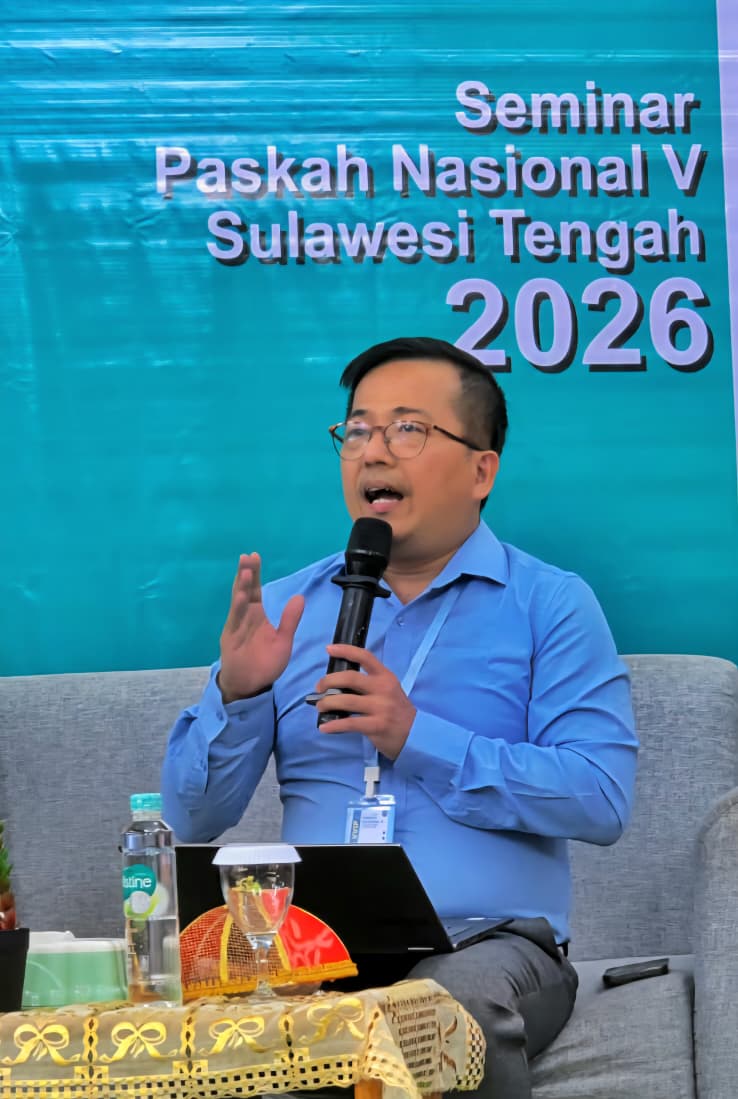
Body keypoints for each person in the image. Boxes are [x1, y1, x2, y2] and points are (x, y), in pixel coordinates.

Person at [161, 336, 638, 1098]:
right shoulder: (290, 610)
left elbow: (600, 795)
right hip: (310, 948)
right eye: (357, 430)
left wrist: (418, 737)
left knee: (434, 1014)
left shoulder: (549, 604)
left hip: (485, 945)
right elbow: (192, 814)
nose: (374, 452)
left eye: (408, 429)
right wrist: (238, 693)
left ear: (482, 469)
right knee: (192, 1025)